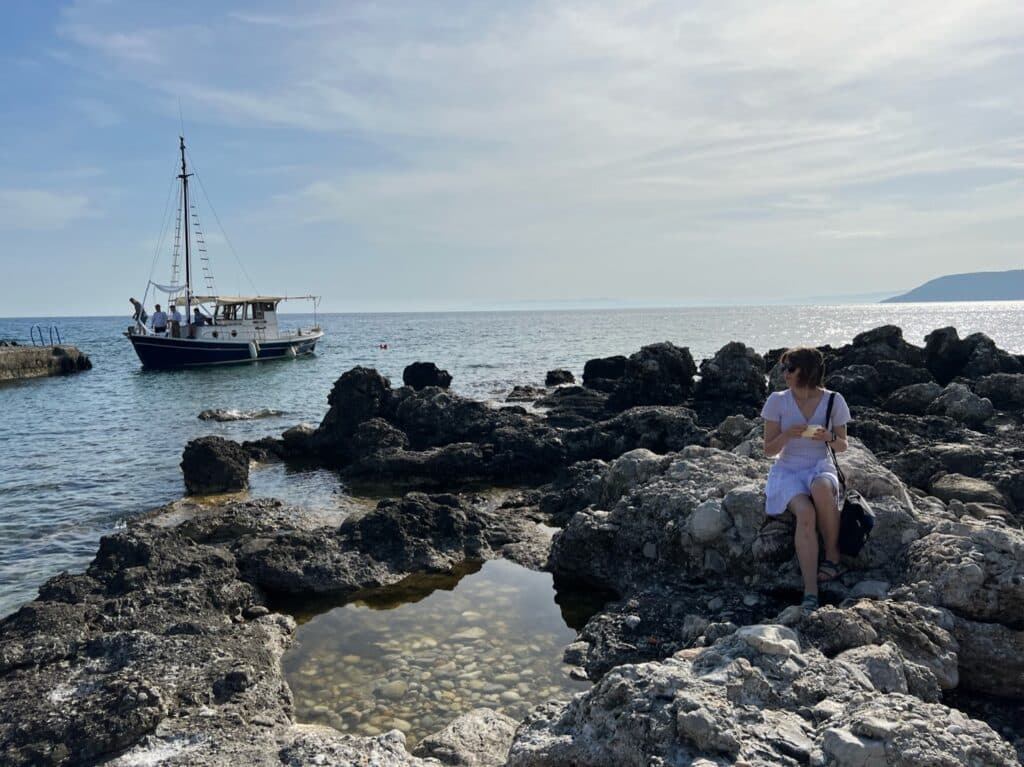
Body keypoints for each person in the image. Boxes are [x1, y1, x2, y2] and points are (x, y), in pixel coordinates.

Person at [761, 347, 850, 614]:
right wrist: (787, 434)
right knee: (805, 512)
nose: (785, 374)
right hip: (788, 470)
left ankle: (833, 556)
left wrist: (828, 437)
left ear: (807, 371)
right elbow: (768, 450)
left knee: (822, 488)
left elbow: (843, 445)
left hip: (819, 465)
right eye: (784, 368)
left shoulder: (834, 400)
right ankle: (810, 590)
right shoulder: (777, 401)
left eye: (790, 368)